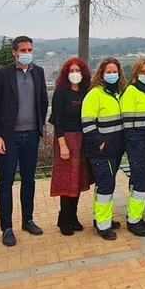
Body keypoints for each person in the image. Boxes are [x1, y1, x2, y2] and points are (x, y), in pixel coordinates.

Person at [0, 35, 49, 247]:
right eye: (23, 50)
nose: (27, 53)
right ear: (14, 52)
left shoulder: (38, 72)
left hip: (31, 134)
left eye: (30, 49)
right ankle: (6, 227)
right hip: (9, 137)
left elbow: (43, 100)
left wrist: (40, 127)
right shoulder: (2, 74)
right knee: (5, 182)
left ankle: (28, 220)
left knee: (29, 180)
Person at [82, 57, 126, 240]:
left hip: (116, 150)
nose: (112, 75)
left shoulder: (120, 94)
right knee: (106, 186)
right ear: (101, 74)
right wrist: (101, 142)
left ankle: (100, 217)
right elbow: (87, 123)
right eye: (108, 72)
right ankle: (103, 225)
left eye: (114, 71)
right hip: (101, 151)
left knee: (105, 185)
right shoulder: (94, 95)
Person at [49, 58, 93, 236]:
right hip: (66, 140)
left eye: (78, 70)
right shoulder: (61, 93)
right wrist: (63, 145)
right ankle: (64, 218)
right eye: (71, 70)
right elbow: (57, 121)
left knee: (78, 180)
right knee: (67, 181)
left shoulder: (86, 93)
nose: (75, 74)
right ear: (66, 74)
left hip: (82, 140)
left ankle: (73, 216)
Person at [121, 58, 145, 237]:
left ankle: (136, 215)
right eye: (142, 71)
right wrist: (136, 145)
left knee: (142, 180)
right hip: (137, 142)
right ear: (135, 73)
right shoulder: (131, 91)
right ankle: (133, 220)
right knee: (140, 180)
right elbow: (127, 123)